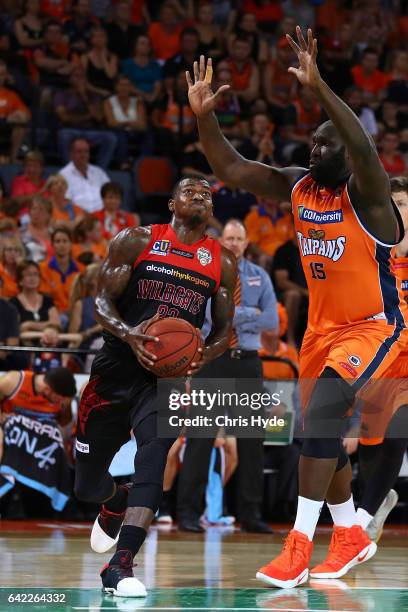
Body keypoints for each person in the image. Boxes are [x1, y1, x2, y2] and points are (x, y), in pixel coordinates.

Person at [186, 27, 407, 588]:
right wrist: (205, 118)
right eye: (311, 143)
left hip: (373, 325)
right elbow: (232, 170)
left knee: (323, 421)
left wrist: (319, 87)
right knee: (318, 435)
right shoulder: (300, 186)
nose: (314, 150)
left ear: (349, 154)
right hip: (321, 329)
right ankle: (352, 529)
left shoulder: (372, 197)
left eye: (323, 144)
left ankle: (299, 546)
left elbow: (359, 141)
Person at [73, 176, 237, 597]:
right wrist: (129, 334)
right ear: (171, 203)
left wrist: (204, 354)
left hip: (164, 379)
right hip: (115, 368)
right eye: (190, 191)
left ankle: (121, 565)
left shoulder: (221, 262)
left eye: (207, 194)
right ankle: (114, 500)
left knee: (155, 454)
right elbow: (102, 303)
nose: (200, 196)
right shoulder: (136, 240)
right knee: (87, 485)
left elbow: (223, 332)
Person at [177, 218, 278, 533]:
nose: (234, 243)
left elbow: (271, 320)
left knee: (251, 441)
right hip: (214, 360)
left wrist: (233, 315)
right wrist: (250, 314)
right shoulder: (207, 274)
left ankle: (250, 514)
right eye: (229, 238)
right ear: (221, 242)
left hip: (247, 363)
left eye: (239, 238)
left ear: (247, 243)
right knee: (200, 439)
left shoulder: (260, 277)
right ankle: (188, 514)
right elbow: (207, 316)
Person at [353, 177, 408, 542]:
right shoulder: (375, 257)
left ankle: (361, 521)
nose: (397, 212)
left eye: (403, 204)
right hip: (382, 354)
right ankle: (375, 501)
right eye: (391, 205)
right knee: (371, 443)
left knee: (397, 433)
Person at [0, 367, 76, 512]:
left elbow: (64, 425)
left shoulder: (62, 399)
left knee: (56, 445)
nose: (61, 401)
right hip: (12, 441)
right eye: (60, 398)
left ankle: (44, 507)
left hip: (40, 448)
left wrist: (66, 408)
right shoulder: (13, 381)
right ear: (48, 390)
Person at [55, 66, 118, 170]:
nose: (79, 79)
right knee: (63, 135)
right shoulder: (62, 95)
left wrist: (83, 95)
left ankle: (99, 171)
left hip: (90, 131)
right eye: (76, 76)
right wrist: (87, 116)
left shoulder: (93, 96)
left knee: (110, 137)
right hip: (71, 130)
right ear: (70, 79)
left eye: (82, 76)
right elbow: (64, 118)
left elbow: (98, 117)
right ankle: (70, 169)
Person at [39, 227, 82, 318]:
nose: (61, 245)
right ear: (52, 245)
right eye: (57, 241)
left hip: (75, 314)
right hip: (52, 314)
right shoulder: (43, 268)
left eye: (65, 241)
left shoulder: (81, 270)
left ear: (71, 244)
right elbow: (45, 297)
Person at [59, 137, 109, 213]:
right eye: (79, 151)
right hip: (79, 217)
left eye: (86, 151)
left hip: (103, 216)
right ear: (71, 154)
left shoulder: (99, 172)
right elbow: (65, 202)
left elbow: (110, 194)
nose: (83, 155)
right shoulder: (63, 175)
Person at [10, 260, 61, 334]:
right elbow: (16, 329)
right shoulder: (13, 302)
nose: (33, 278)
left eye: (35, 274)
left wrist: (29, 325)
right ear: (20, 281)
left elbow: (57, 324)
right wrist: (47, 325)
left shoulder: (47, 299)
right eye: (28, 275)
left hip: (49, 340)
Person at [0, 60, 31, 163]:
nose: (0, 77)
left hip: (6, 126)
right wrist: (6, 119)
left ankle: (13, 159)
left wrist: (19, 116)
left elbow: (26, 115)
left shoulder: (11, 95)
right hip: (4, 121)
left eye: (2, 74)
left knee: (20, 127)